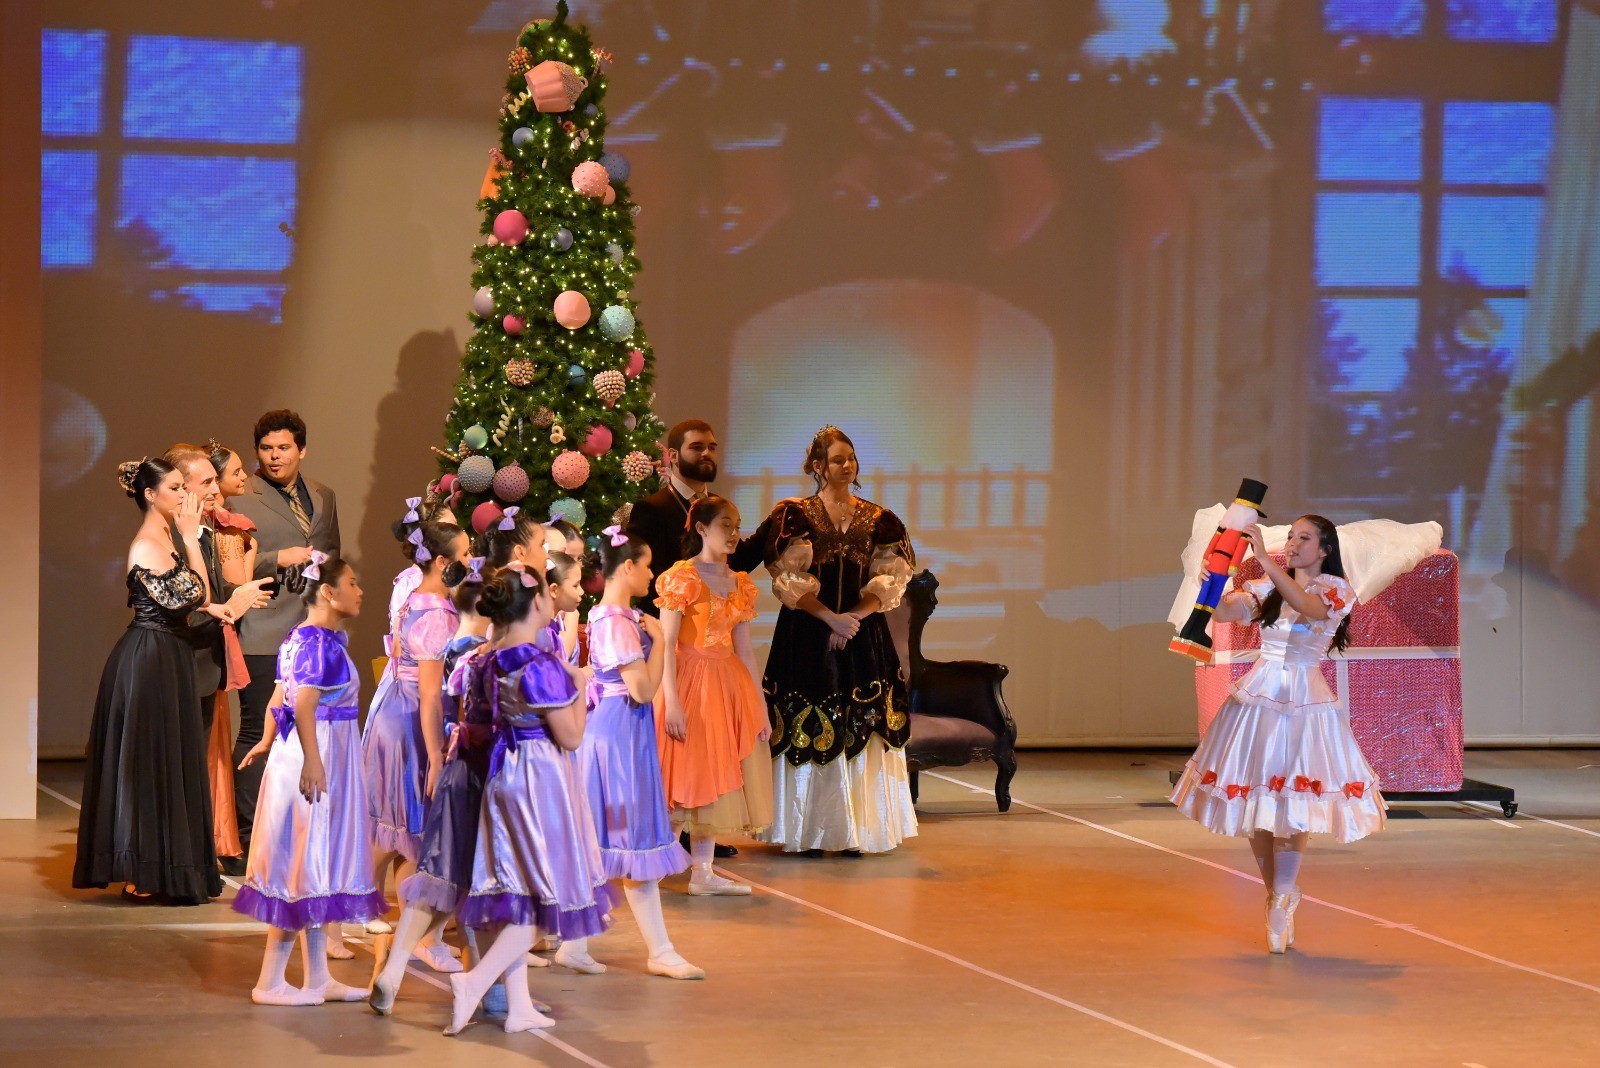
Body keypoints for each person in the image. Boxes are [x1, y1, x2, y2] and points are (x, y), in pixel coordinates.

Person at [1169, 515, 1385, 953]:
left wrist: (1264, 561)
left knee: (1294, 802)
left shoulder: (1334, 589)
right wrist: (1210, 584)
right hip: (1258, 696)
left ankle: (1283, 892)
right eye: (1290, 536)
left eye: (1303, 538)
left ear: (1324, 550)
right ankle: (1278, 896)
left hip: (1303, 701)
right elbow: (1229, 610)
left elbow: (1308, 608)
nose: (1292, 543)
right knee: (1256, 797)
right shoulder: (1269, 587)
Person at [450, 566, 611, 1035]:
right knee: (546, 896)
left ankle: (518, 1005)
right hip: (539, 777)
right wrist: (580, 686)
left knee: (519, 892)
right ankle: (475, 981)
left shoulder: (486, 658)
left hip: (505, 777)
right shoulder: (536, 664)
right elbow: (572, 736)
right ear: (537, 603)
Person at [74, 459, 230, 904]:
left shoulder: (166, 539)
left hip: (169, 658)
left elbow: (192, 605)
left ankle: (168, 867)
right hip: (145, 663)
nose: (185, 496)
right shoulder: (146, 544)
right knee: (147, 764)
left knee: (171, 760)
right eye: (176, 488)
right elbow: (195, 593)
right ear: (150, 494)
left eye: (185, 487)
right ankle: (141, 868)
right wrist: (191, 539)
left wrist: (227, 607)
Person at [232, 554, 385, 1004]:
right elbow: (302, 704)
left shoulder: (305, 638)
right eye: (352, 583)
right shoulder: (318, 643)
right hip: (316, 752)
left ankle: (318, 977)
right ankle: (270, 981)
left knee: (314, 863)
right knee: (300, 863)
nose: (359, 592)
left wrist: (266, 740)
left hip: (310, 750)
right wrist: (312, 761)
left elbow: (278, 695)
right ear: (328, 591)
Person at [761, 425, 918, 856]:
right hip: (806, 635)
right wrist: (830, 619)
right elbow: (788, 580)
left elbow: (891, 578)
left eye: (850, 457)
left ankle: (857, 830)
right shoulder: (795, 515)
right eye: (836, 459)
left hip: (862, 636)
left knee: (861, 724)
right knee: (810, 723)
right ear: (818, 467)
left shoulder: (880, 518)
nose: (846, 465)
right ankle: (809, 831)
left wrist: (852, 619)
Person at [553, 535, 703, 981]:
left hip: (620, 731)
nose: (652, 574)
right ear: (627, 568)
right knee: (631, 839)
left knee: (606, 839)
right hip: (618, 735)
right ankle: (660, 950)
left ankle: (574, 944)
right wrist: (659, 643)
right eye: (647, 565)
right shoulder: (618, 621)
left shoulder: (612, 614)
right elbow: (641, 689)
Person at [371, 556, 502, 1014]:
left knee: (444, 875)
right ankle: (495, 984)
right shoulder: (483, 656)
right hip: (480, 769)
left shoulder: (455, 650)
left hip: (454, 765)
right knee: (481, 875)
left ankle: (397, 966)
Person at [230, 411, 341, 863]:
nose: (274, 457)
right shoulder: (242, 496)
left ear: (302, 449)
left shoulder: (323, 495)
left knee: (305, 729)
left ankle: (288, 829)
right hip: (261, 627)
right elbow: (226, 561)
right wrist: (278, 557)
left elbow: (332, 554)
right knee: (260, 727)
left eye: (283, 448)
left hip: (307, 633)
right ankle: (243, 833)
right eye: (266, 449)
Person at [363, 516, 468, 969]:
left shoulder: (418, 598)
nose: (471, 564)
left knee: (403, 829)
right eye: (464, 557)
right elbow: (430, 691)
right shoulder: (438, 612)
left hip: (396, 709)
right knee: (413, 827)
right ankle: (423, 936)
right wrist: (435, 755)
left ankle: (411, 929)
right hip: (411, 718)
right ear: (442, 562)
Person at [654, 502, 773, 894]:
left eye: (738, 526)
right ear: (702, 529)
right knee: (683, 776)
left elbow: (745, 649)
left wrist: (758, 705)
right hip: (689, 682)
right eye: (726, 525)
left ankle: (702, 873)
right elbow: (668, 643)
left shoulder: (738, 581)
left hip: (725, 686)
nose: (735, 533)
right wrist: (671, 700)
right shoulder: (682, 576)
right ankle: (652, 867)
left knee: (717, 777)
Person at [207, 441, 262, 867]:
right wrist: (255, 552)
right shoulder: (224, 531)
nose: (245, 477)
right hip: (221, 635)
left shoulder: (230, 527)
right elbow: (239, 587)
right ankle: (226, 837)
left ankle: (225, 835)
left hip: (224, 632)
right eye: (236, 472)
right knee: (225, 735)